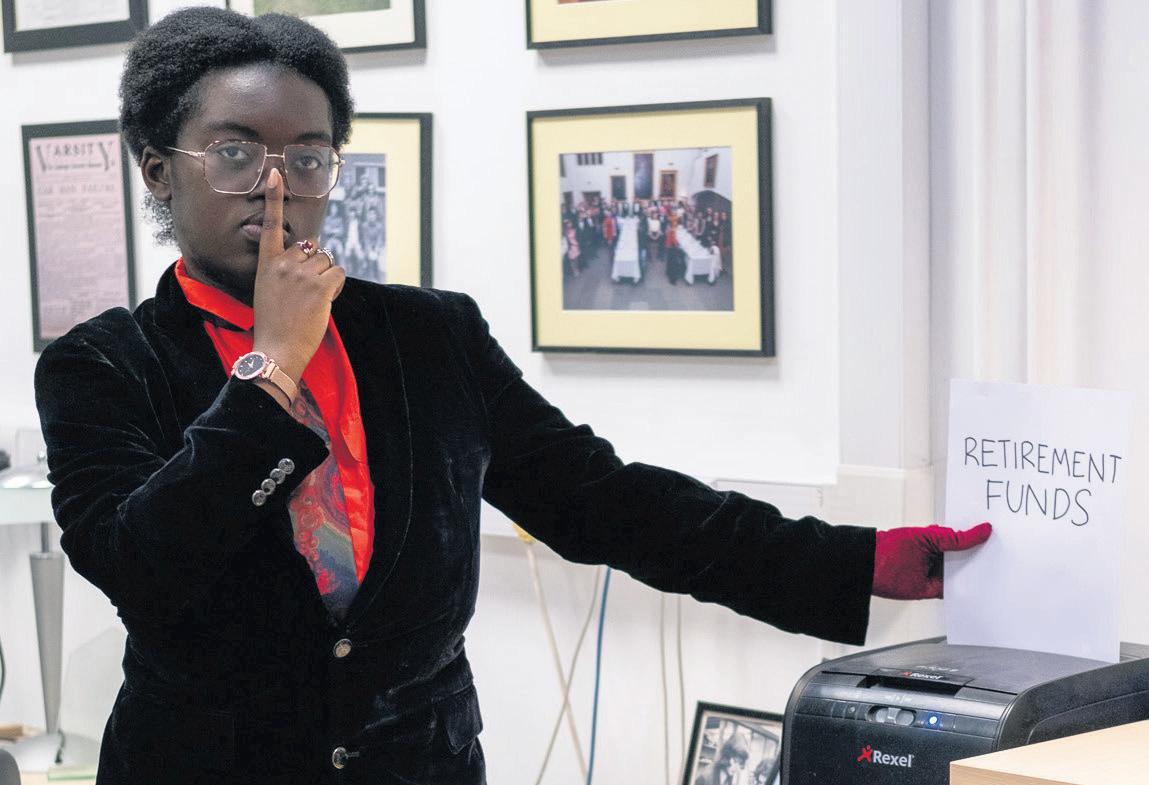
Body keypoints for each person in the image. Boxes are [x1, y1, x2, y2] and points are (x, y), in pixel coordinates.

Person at [33, 8, 991, 785]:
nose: (277, 185)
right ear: (159, 168)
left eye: (310, 156)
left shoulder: (425, 338)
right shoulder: (103, 366)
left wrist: (858, 559)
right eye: (236, 153)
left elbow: (606, 502)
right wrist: (274, 365)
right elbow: (141, 566)